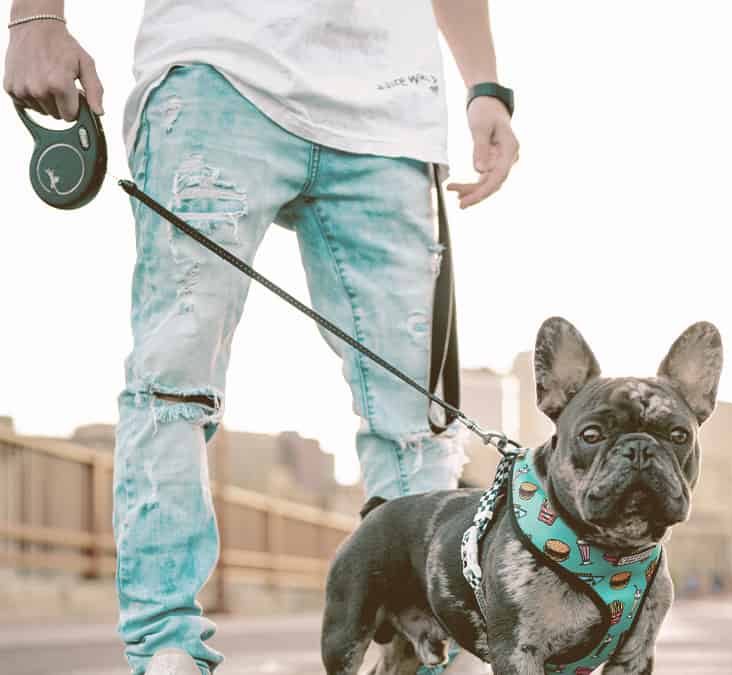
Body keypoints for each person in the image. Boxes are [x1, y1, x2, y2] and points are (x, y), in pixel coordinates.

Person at [4, 1, 518, 673]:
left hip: (392, 110)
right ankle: (167, 651)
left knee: (416, 422)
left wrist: (484, 84)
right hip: (217, 64)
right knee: (173, 382)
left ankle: (420, 652)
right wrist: (34, 17)